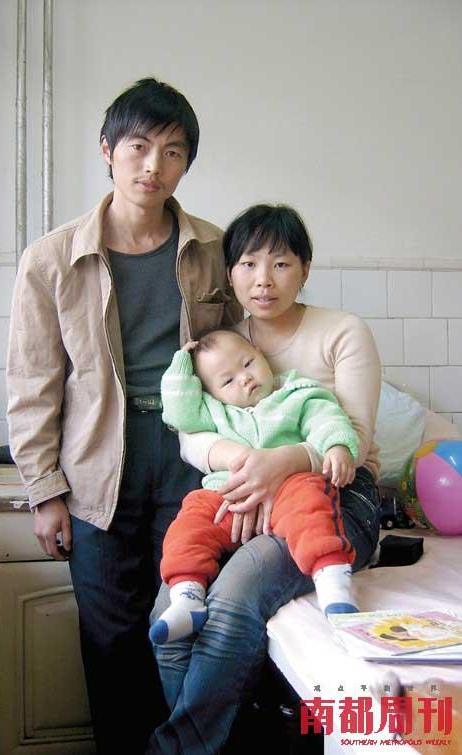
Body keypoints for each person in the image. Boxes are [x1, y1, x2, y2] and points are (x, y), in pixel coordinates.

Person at [6, 77, 242, 755]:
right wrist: (45, 490)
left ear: (187, 163)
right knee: (109, 634)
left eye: (173, 152)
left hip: (191, 455)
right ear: (107, 149)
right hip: (94, 460)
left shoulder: (213, 249)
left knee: (189, 621)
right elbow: (33, 381)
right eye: (138, 146)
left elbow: (245, 356)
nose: (153, 166)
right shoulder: (51, 259)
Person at [147, 203, 382, 754]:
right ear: (230, 273)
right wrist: (250, 464)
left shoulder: (343, 332)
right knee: (167, 612)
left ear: (304, 269)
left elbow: (353, 438)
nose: (263, 280)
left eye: (280, 264)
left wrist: (281, 464)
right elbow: (191, 434)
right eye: (249, 264)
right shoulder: (225, 344)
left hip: (335, 498)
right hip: (241, 489)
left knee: (233, 598)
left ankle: (177, 749)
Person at [150, 328, 361, 645]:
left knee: (311, 500)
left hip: (287, 489)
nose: (245, 378)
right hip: (228, 497)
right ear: (211, 392)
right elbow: (178, 412)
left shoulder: (296, 394)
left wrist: (337, 446)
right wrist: (182, 361)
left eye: (248, 363)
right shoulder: (214, 411)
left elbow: (327, 419)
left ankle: (332, 581)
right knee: (191, 519)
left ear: (261, 354)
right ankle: (187, 595)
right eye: (227, 381)